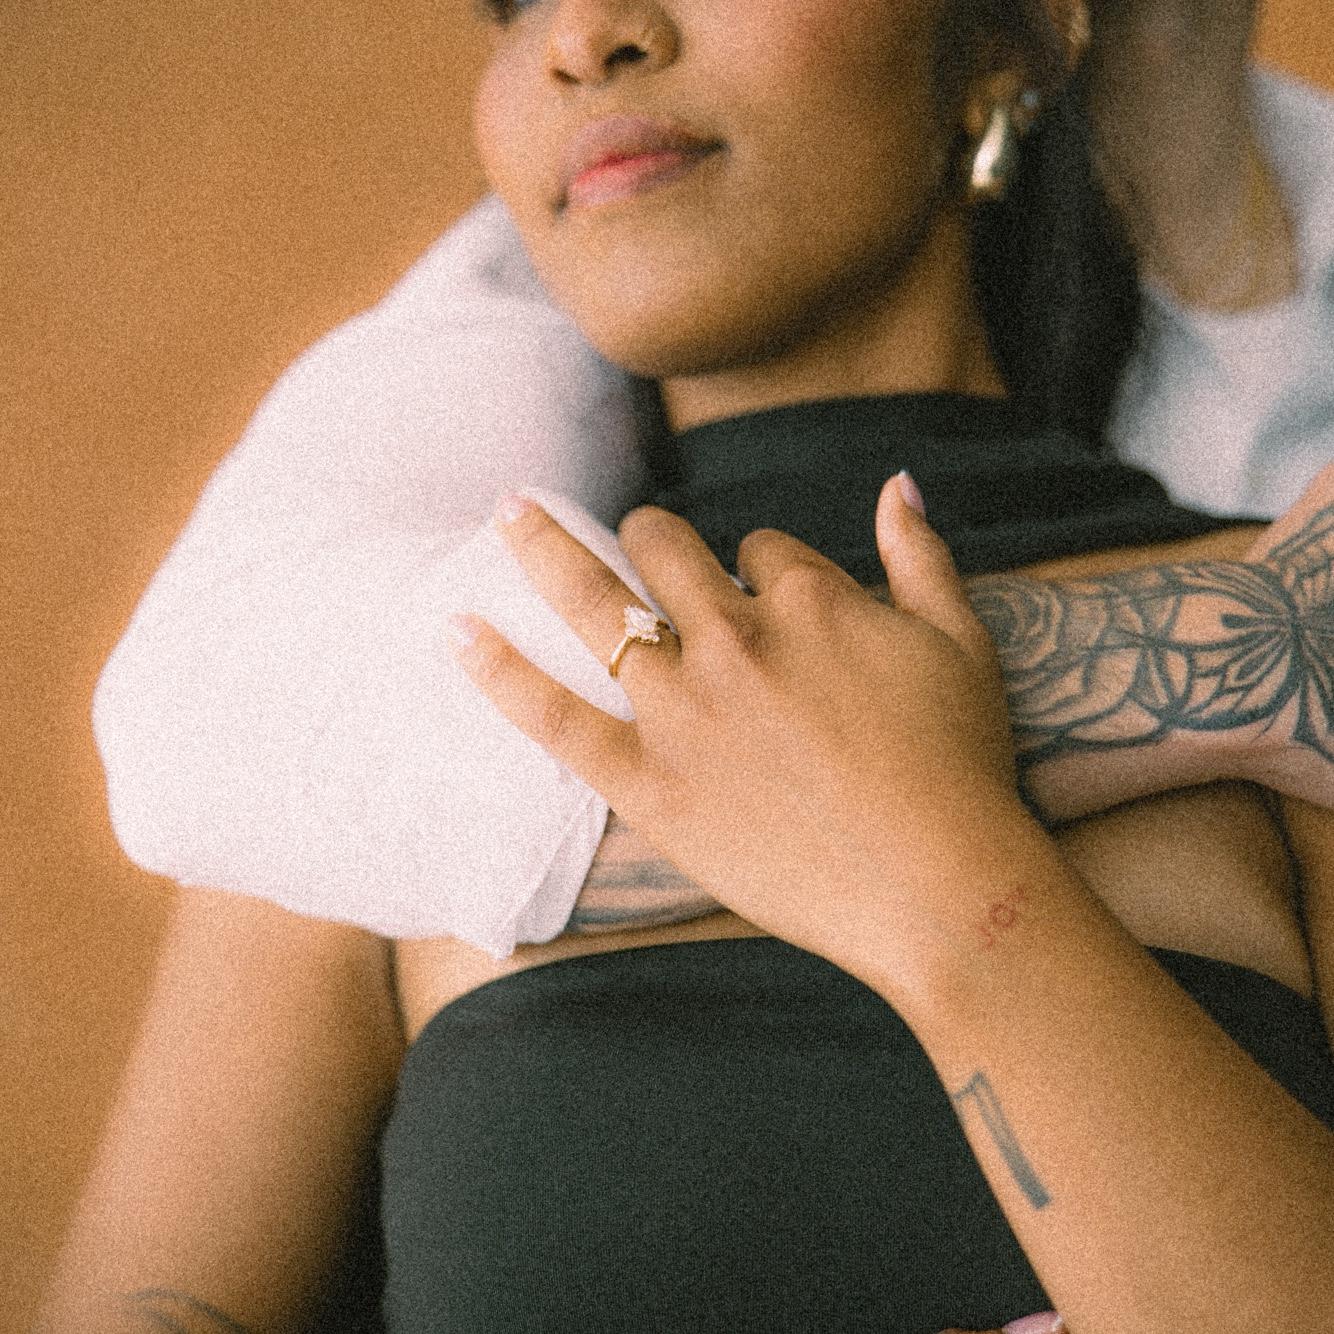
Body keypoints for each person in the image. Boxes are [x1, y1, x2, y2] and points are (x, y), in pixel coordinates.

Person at [36, 1, 1334, 1332]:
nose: (584, 32)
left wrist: (946, 884)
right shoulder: (376, 711)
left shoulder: (1300, 607)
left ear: (999, 46)